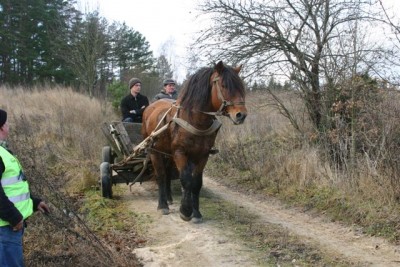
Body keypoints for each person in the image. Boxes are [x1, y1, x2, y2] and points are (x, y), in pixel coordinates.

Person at [0, 109, 50, 267]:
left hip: (8, 226)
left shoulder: (3, 151)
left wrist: (33, 202)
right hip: (5, 228)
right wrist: (14, 217)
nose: (9, 125)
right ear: (1, 128)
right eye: (7, 122)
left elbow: (12, 186)